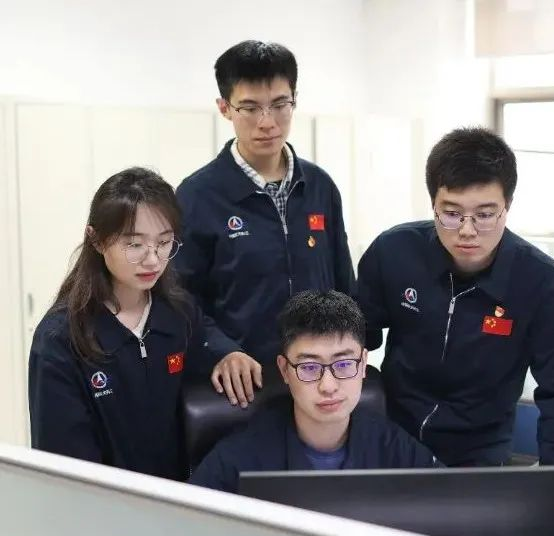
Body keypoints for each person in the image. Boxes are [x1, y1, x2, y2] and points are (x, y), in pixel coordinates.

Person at [357, 127, 554, 536]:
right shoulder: (394, 252)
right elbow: (356, 338)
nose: (467, 231)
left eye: (485, 214)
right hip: (394, 438)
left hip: (478, 452)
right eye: (451, 214)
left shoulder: (540, 281)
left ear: (508, 207)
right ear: (433, 204)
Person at [174, 40, 354, 410]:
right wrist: (220, 351)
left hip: (318, 382)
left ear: (294, 101)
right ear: (225, 108)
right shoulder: (197, 196)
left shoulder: (319, 186)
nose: (267, 122)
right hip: (243, 387)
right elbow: (179, 298)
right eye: (250, 108)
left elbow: (342, 284)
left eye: (280, 105)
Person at [29, 167, 212, 481]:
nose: (153, 260)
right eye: (134, 245)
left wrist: (228, 354)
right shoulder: (61, 338)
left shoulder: (178, 314)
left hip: (175, 500)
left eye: (164, 242)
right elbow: (62, 462)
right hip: (100, 503)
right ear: (97, 240)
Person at [189, 290, 437, 492]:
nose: (328, 386)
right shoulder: (241, 456)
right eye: (309, 367)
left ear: (363, 364)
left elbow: (448, 509)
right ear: (285, 370)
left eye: (344, 364)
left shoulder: (394, 448)